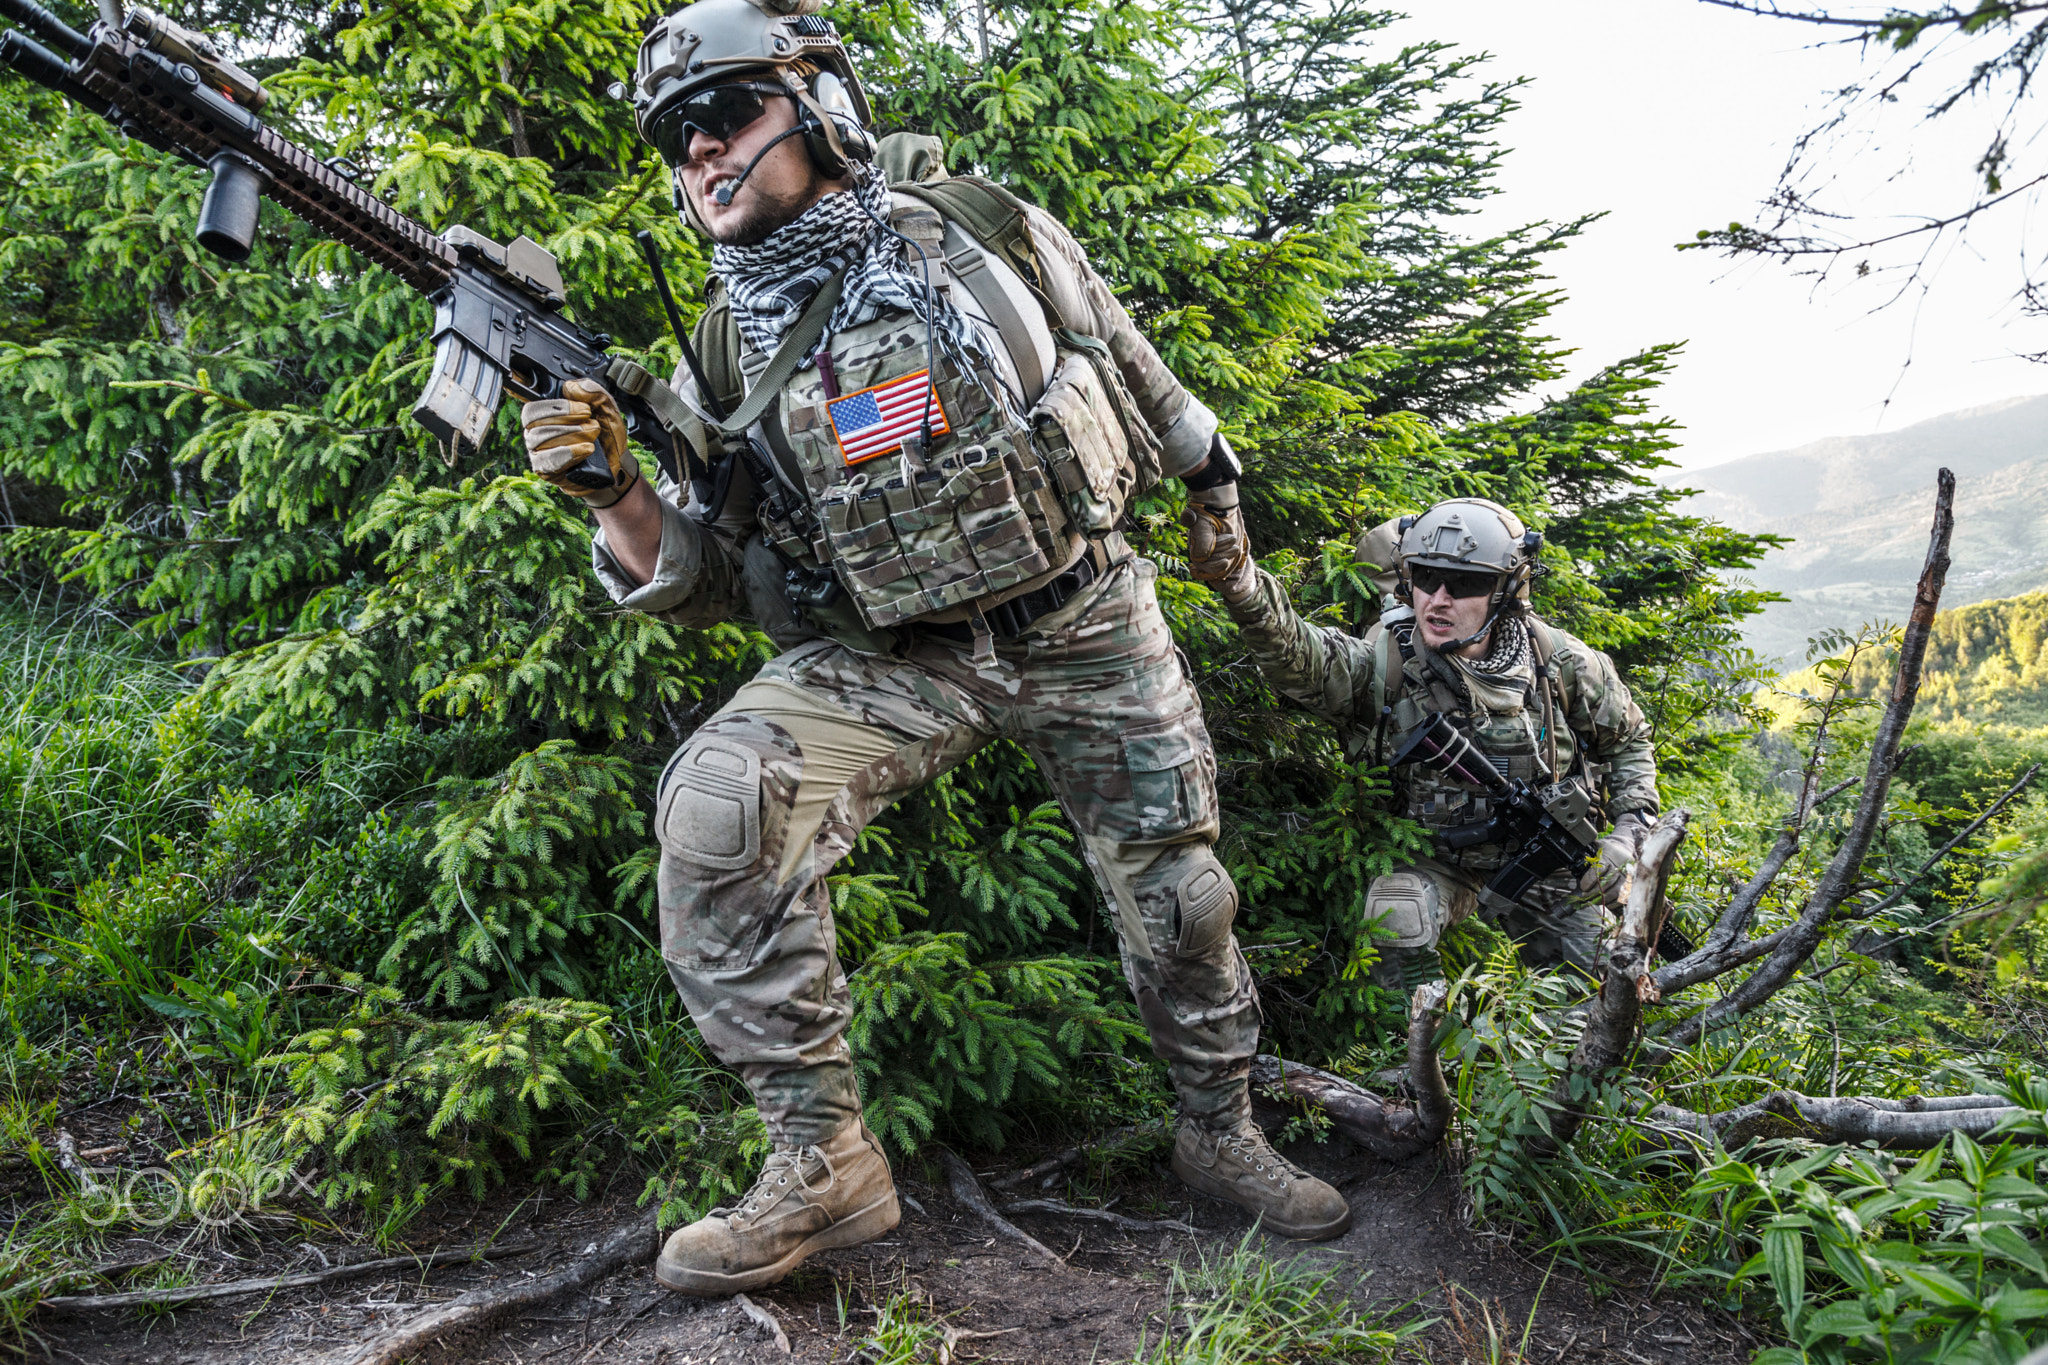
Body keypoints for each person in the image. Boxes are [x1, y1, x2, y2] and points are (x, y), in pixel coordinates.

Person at [517, 0, 1352, 1296]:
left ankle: (1219, 1135)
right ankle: (824, 1163)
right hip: (900, 652)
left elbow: (1117, 344)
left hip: (1082, 614)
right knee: (722, 807)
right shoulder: (732, 348)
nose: (703, 156)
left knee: (1182, 902)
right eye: (677, 140)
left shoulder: (971, 224)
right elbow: (728, 580)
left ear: (819, 106)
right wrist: (619, 499)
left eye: (726, 114)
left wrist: (1210, 481)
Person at [1184, 494, 1659, 987]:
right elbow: (1295, 653)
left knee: (1603, 986)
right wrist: (1238, 581)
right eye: (1426, 578)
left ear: (1507, 590)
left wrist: (1627, 835)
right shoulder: (1384, 662)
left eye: (1468, 583)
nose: (1439, 599)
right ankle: (1411, 1044)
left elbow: (1629, 741)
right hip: (1435, 855)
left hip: (1547, 857)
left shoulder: (1561, 663)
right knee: (1397, 911)